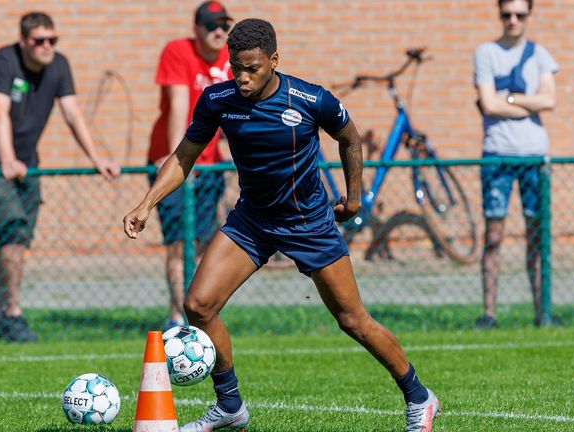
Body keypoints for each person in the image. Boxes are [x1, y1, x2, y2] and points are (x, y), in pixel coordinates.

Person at [124, 18, 440, 432]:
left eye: (252, 68)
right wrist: (146, 204)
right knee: (198, 305)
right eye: (236, 67)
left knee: (353, 321)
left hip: (309, 223)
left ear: (274, 60)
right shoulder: (217, 100)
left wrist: (354, 197)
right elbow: (184, 156)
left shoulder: (310, 99)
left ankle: (419, 395)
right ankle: (230, 405)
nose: (242, 77)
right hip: (252, 220)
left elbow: (350, 138)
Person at [0, 11, 120, 342]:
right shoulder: (3, 61)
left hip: (28, 163)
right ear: (24, 42)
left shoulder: (59, 66)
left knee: (15, 239)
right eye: (39, 41)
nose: (47, 46)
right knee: (13, 229)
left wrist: (96, 158)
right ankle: (11, 313)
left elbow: (73, 114)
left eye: (53, 40)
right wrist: (7, 159)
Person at [147, 1, 234, 331]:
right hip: (176, 161)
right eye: (212, 26)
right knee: (178, 244)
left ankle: (197, 312)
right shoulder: (178, 51)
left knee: (203, 243)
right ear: (197, 28)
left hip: (210, 167)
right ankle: (176, 316)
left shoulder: (231, 59)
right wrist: (177, 161)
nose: (219, 32)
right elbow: (178, 106)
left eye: (224, 26)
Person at [473, 0, 558, 328]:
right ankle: (489, 314)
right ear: (499, 14)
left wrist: (507, 99)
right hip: (497, 154)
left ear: (528, 16)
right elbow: (488, 105)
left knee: (536, 236)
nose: (513, 20)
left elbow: (549, 100)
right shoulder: (486, 53)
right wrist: (528, 104)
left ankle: (542, 312)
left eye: (519, 15)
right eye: (507, 14)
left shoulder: (540, 55)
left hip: (534, 156)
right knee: (494, 236)